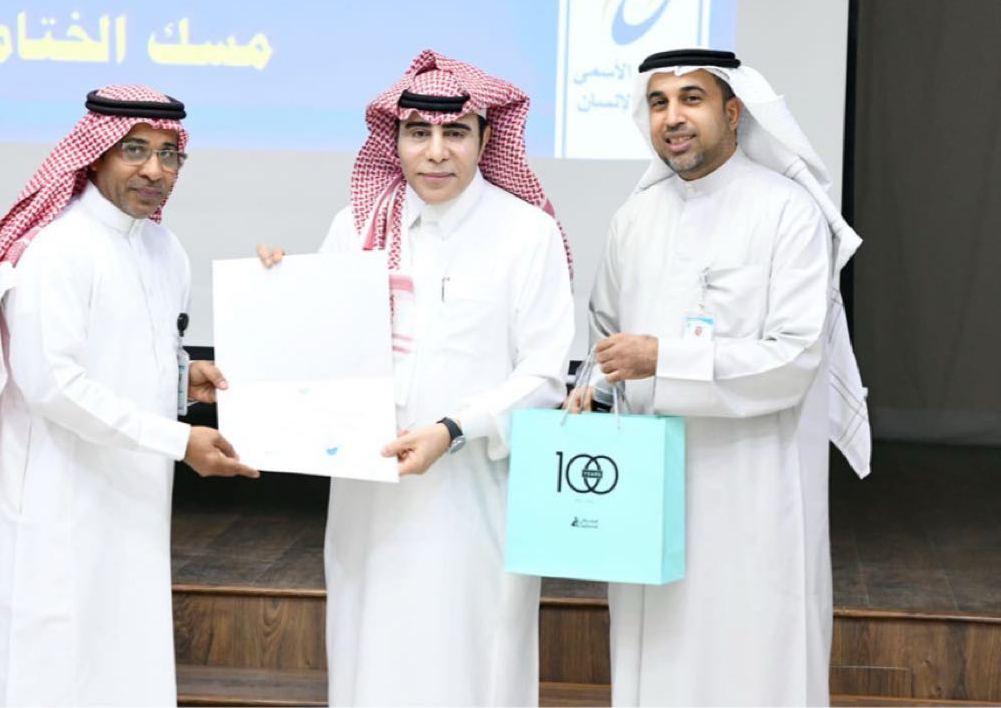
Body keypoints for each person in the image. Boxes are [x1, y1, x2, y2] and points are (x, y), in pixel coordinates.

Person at [259, 50, 574, 706]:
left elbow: (544, 375)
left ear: (485, 138)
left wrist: (453, 430)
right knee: (372, 657)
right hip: (371, 497)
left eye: (454, 132)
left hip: (476, 493)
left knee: (470, 660)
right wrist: (277, 292)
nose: (435, 152)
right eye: (417, 132)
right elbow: (319, 350)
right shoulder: (357, 226)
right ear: (394, 139)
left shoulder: (528, 233)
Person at [568, 48, 871, 706]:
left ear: (733, 112)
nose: (672, 117)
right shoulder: (634, 218)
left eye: (691, 99)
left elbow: (795, 358)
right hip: (650, 486)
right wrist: (593, 387)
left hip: (751, 484)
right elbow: (606, 335)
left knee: (750, 648)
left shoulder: (787, 211)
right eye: (658, 103)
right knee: (659, 645)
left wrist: (663, 359)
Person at [0, 84, 258, 707]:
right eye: (134, 150)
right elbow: (52, 384)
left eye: (169, 154)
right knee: (50, 665)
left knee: (124, 658)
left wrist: (183, 380)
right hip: (56, 499)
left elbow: (133, 353)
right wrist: (179, 440)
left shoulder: (164, 249)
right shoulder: (57, 249)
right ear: (94, 155)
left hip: (133, 493)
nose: (155, 170)